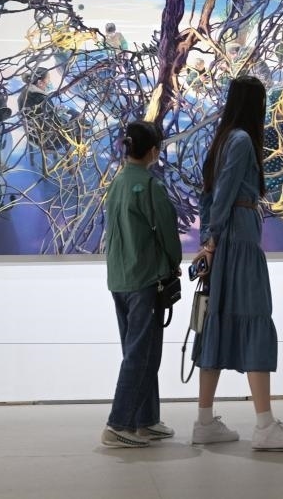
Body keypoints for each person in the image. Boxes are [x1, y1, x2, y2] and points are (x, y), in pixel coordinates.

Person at [193, 75, 283, 451]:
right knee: (256, 317)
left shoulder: (224, 139)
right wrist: (212, 238)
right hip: (238, 240)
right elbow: (224, 192)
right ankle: (264, 425)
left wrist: (208, 240)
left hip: (226, 241)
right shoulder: (242, 140)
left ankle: (205, 422)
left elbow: (209, 194)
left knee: (216, 323)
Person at [101, 121, 182, 448]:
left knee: (138, 351)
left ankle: (146, 419)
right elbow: (168, 235)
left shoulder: (117, 183)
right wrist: (174, 263)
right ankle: (118, 424)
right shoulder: (150, 186)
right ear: (153, 151)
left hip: (119, 278)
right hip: (145, 278)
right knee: (141, 355)